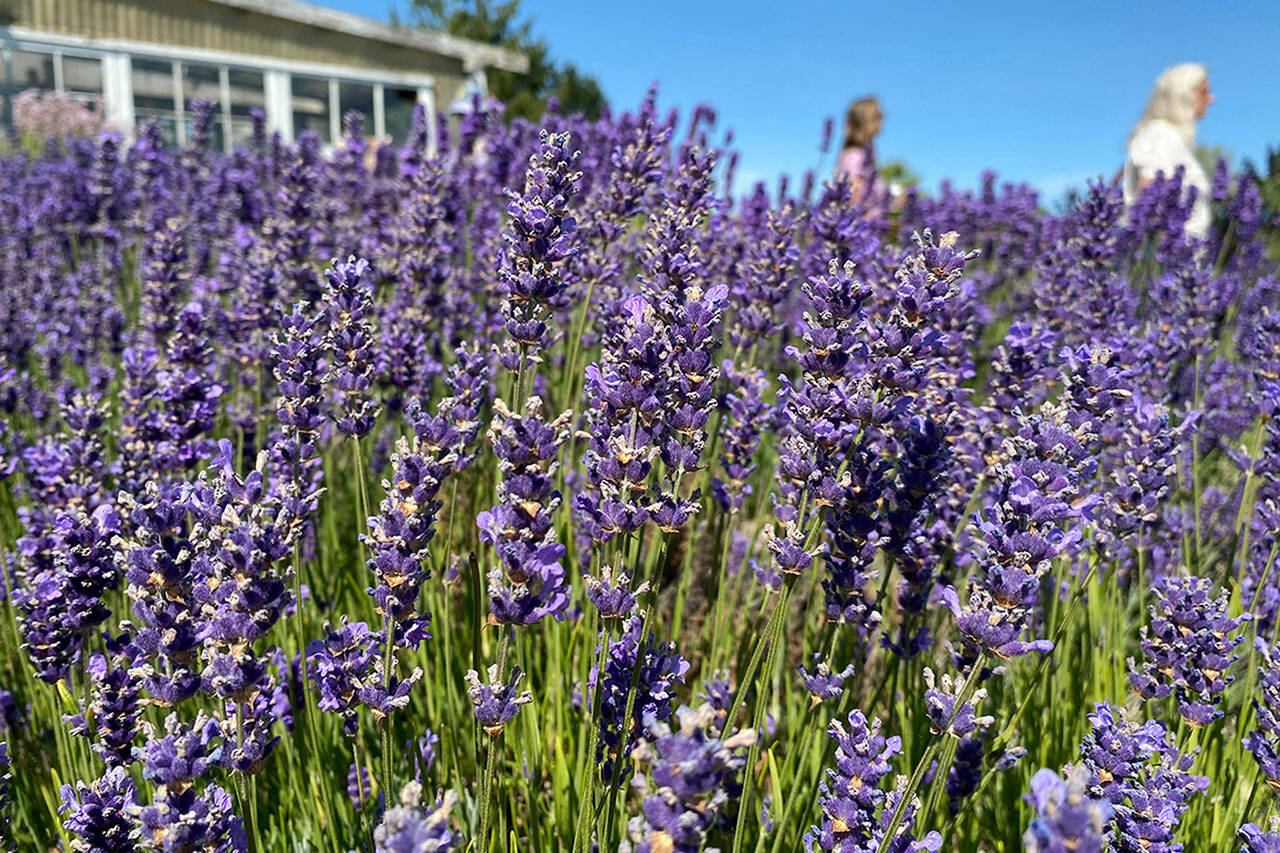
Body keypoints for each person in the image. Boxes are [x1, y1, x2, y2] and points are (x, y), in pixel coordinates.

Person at [1122, 63, 1214, 238]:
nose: (1211, 99)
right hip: (1164, 256)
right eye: (1204, 92)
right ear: (1182, 95)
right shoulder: (1160, 134)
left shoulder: (1171, 138)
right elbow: (1151, 195)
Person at [835, 96, 891, 215]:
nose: (883, 119)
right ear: (868, 120)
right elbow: (855, 199)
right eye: (878, 115)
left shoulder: (867, 156)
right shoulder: (854, 156)